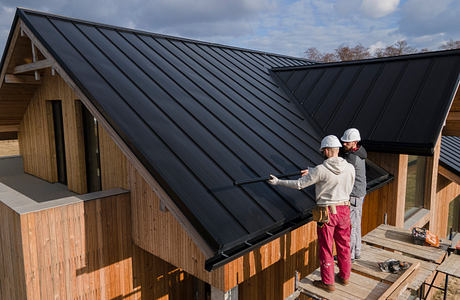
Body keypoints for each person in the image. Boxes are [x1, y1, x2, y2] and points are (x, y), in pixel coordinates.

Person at [268, 135, 355, 292]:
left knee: (326, 247)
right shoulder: (350, 167)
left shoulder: (321, 170)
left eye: (323, 151)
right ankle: (344, 276)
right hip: (345, 210)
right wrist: (313, 171)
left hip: (327, 212)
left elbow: (300, 184)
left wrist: (278, 182)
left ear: (327, 150)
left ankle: (328, 283)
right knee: (344, 245)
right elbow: (337, 178)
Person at [340, 128, 367, 261]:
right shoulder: (360, 153)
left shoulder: (352, 157)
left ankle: (349, 256)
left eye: (347, 142)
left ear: (355, 142)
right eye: (343, 141)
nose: (344, 144)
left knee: (352, 226)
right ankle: (356, 252)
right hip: (359, 194)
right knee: (356, 225)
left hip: (355, 195)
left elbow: (339, 170)